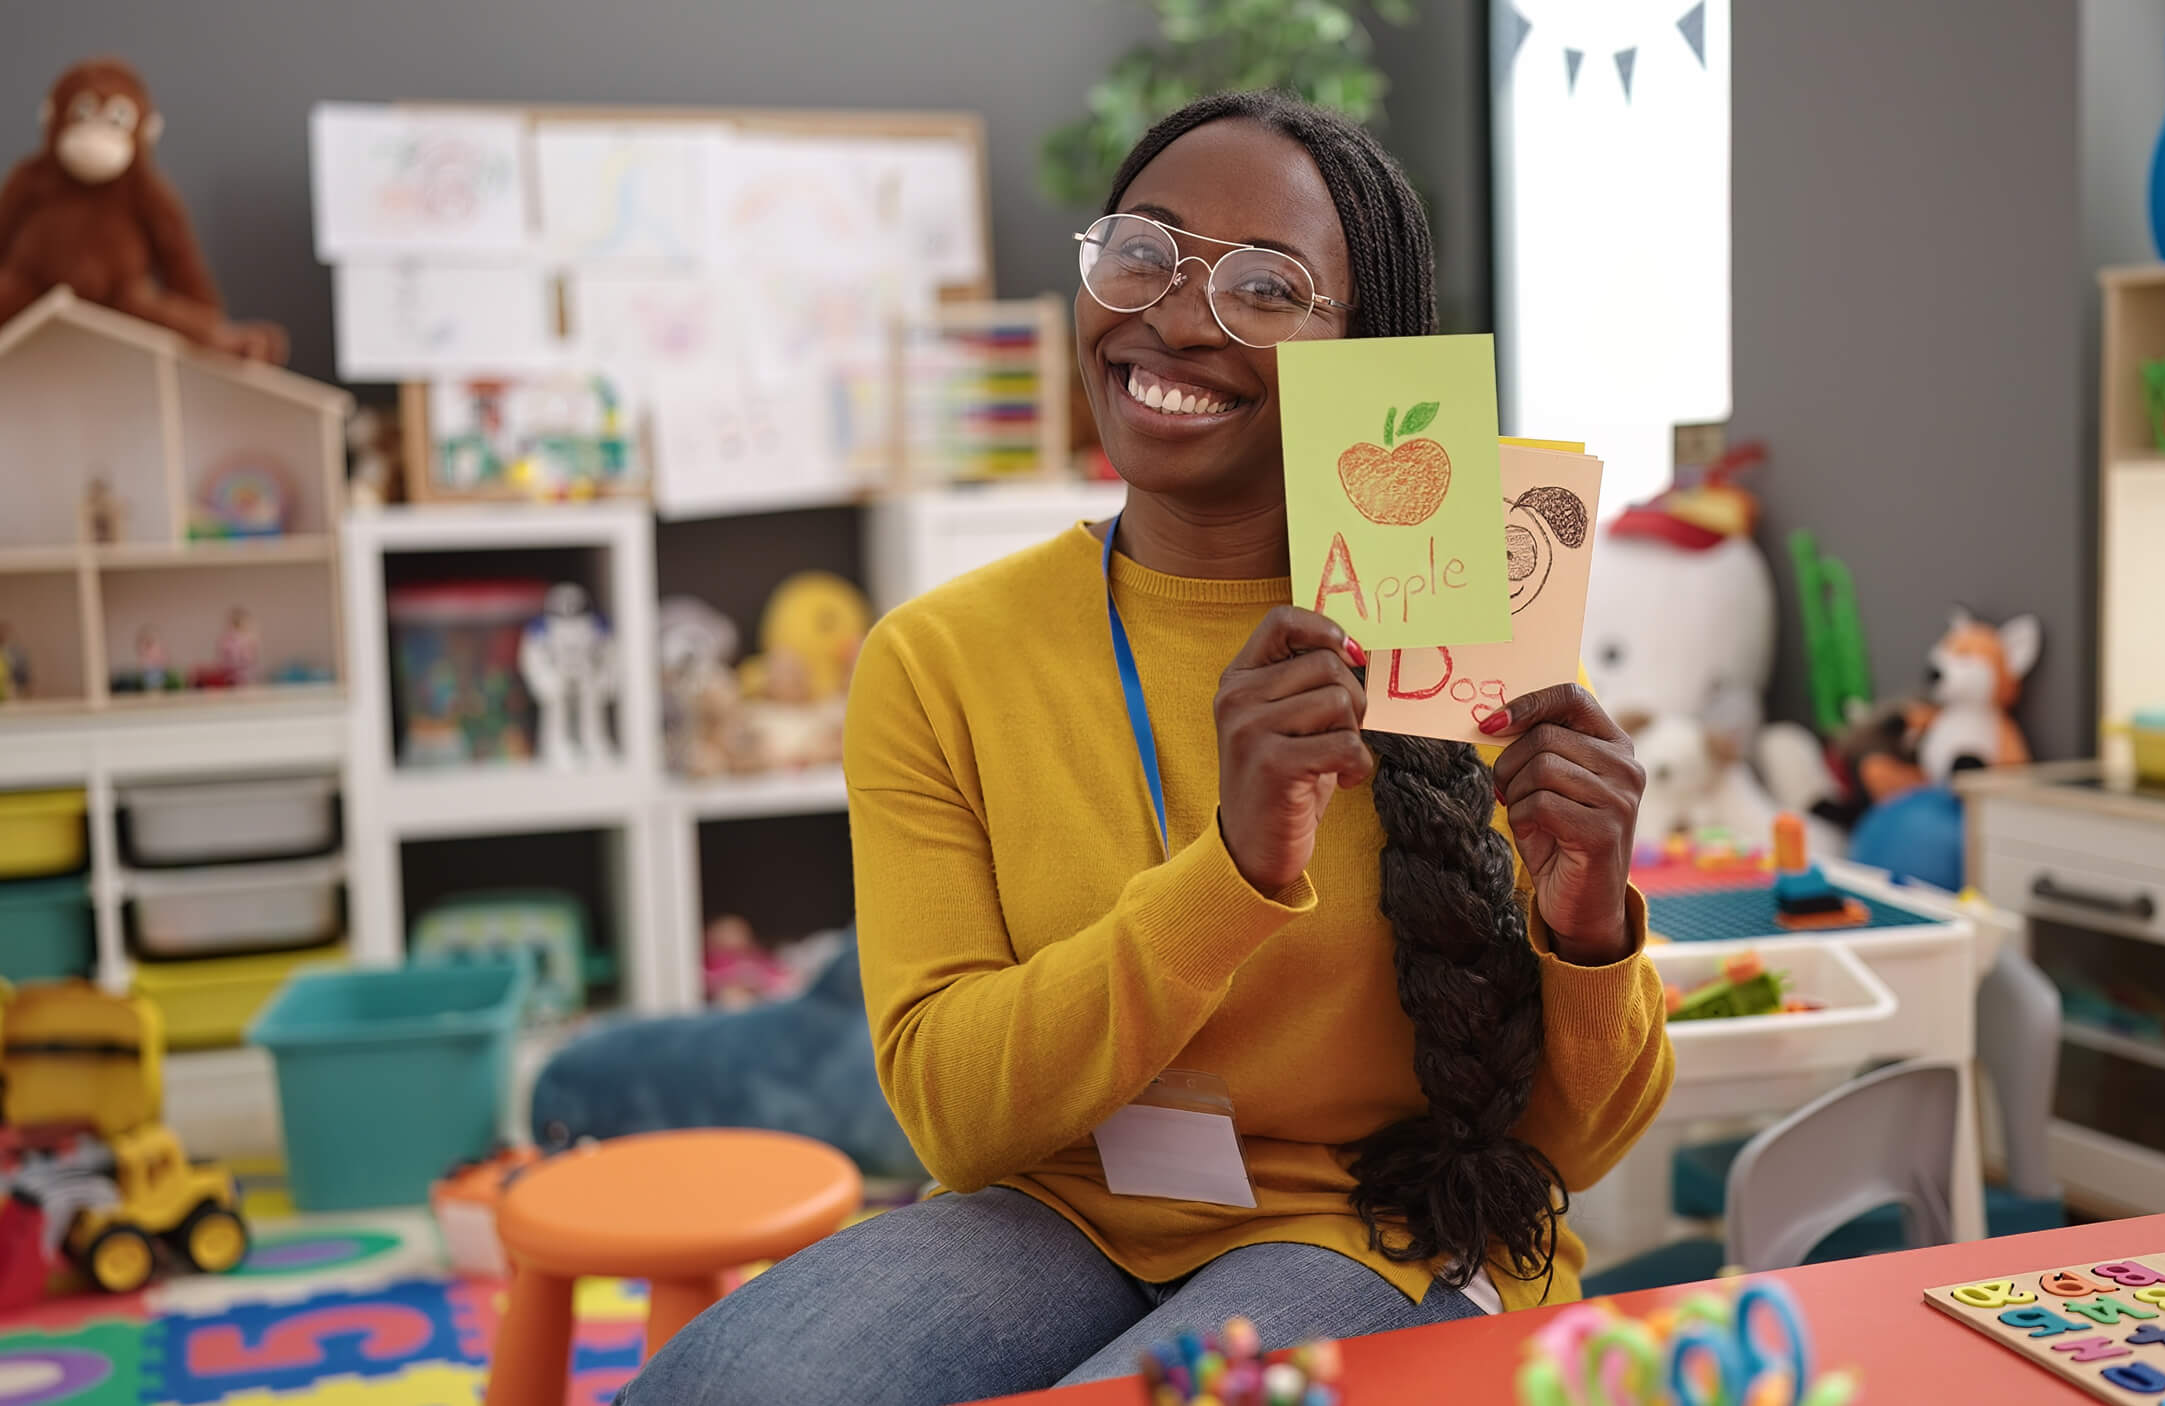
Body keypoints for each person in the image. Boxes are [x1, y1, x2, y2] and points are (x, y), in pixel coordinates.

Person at [623, 90, 1672, 1406]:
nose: (1176, 317)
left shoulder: (1461, 615)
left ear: (1371, 353)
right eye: (1144, 253)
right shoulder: (939, 659)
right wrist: (1230, 871)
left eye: (1266, 288)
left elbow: (1570, 1144)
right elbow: (954, 1117)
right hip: (1063, 1204)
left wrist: (1587, 929)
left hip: (1379, 1225)